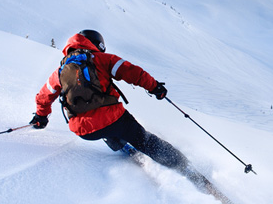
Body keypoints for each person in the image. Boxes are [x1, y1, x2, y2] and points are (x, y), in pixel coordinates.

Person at [29, 29, 189, 170]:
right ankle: (184, 166)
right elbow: (132, 72)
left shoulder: (60, 71)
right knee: (144, 139)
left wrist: (41, 118)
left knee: (103, 129)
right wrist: (154, 87)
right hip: (115, 120)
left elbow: (44, 97)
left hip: (83, 131)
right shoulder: (102, 59)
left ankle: (121, 146)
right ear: (97, 44)